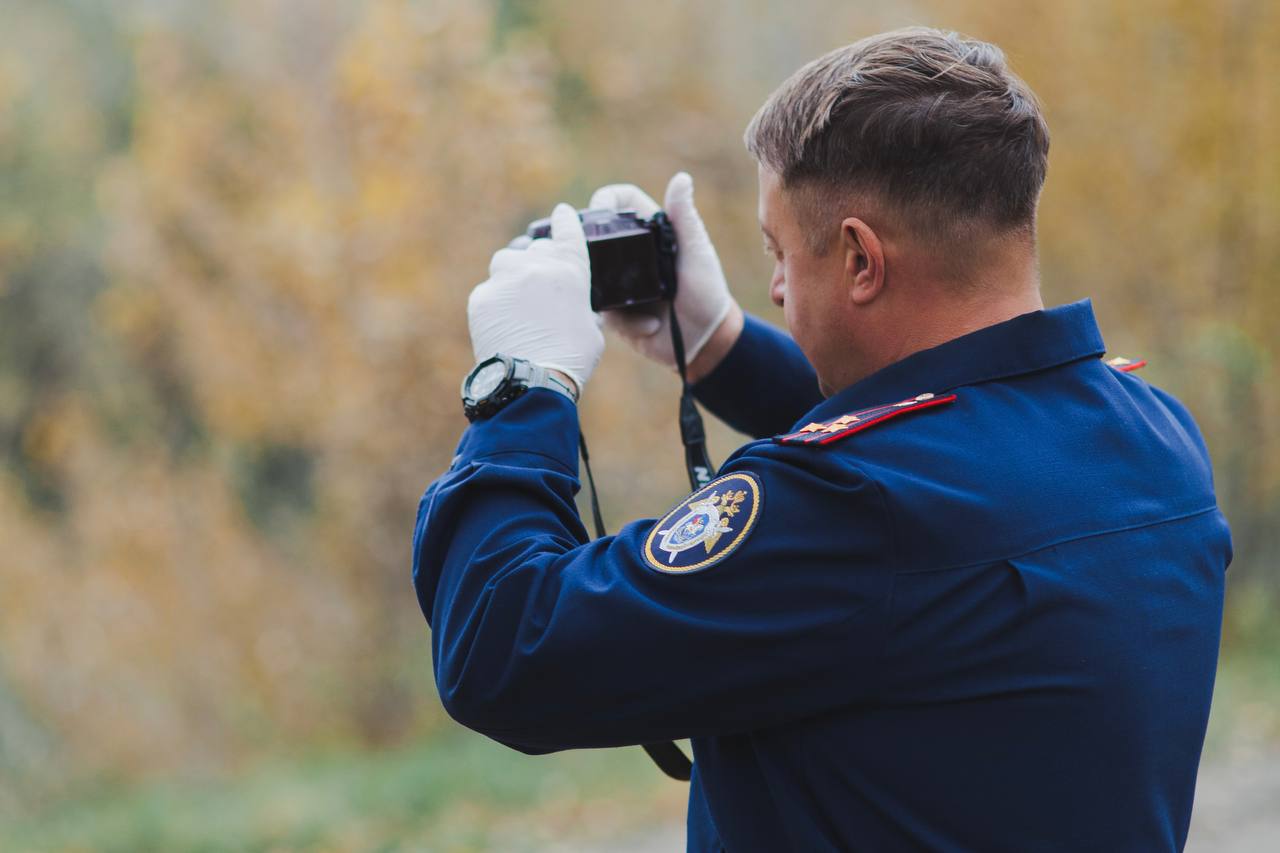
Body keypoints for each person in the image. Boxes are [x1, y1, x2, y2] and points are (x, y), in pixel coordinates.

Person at [413, 26, 1230, 852]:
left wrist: (524, 383)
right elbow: (945, 444)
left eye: (778, 254)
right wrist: (718, 341)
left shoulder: (851, 514)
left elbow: (503, 644)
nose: (771, 288)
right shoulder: (1156, 438)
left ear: (860, 260)